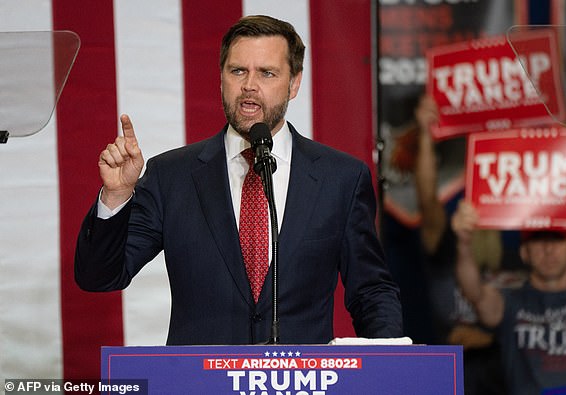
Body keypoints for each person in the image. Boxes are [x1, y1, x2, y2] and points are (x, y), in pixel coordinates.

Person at [74, 15, 403, 346]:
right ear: (221, 79)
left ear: (294, 83)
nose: (249, 85)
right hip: (201, 382)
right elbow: (100, 277)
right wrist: (115, 197)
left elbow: (371, 291)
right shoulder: (171, 176)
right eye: (238, 71)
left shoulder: (341, 178)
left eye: (267, 73)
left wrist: (389, 366)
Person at [412, 95, 527, 395]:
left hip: (513, 371)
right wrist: (426, 135)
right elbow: (427, 200)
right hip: (453, 372)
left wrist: (490, 337)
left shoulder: (526, 241)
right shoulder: (446, 240)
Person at [452, 200, 566, 395]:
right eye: (539, 239)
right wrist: (464, 243)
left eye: (557, 238)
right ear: (524, 253)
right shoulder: (510, 302)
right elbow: (474, 293)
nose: (549, 249)